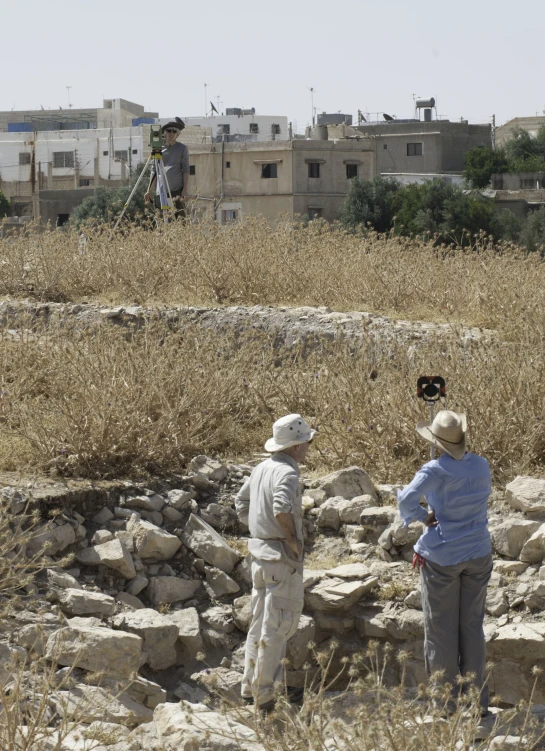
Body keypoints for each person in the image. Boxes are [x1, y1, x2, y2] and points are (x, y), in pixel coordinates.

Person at [397, 410, 493, 716]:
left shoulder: (433, 469)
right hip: (478, 551)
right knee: (472, 627)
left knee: (441, 632)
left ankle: (446, 705)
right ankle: (477, 703)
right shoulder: (481, 465)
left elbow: (405, 500)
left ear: (436, 441)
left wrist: (422, 517)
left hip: (443, 557)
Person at [235, 414, 315, 709]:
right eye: (307, 441)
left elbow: (241, 503)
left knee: (259, 624)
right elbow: (282, 509)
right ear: (296, 446)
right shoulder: (288, 473)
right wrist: (291, 542)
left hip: (260, 555)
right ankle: (265, 697)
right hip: (280, 558)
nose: (308, 447)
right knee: (278, 627)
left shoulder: (261, 468)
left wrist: (259, 527)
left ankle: (250, 690)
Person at [144, 117, 190, 221]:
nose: (171, 133)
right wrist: (149, 190)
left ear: (177, 134)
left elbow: (186, 169)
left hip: (177, 191)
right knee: (163, 221)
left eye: (174, 131)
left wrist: (185, 190)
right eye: (169, 130)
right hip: (162, 192)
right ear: (165, 132)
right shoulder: (159, 148)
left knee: (180, 221)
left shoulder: (182, 148)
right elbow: (154, 171)